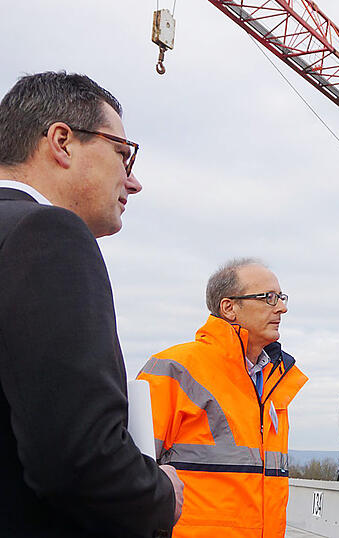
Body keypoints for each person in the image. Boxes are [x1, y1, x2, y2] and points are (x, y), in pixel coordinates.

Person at [0, 71, 182, 537]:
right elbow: (76, 458)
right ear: (62, 142)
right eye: (123, 154)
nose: (133, 181)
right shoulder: (47, 235)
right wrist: (158, 494)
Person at [137, 258, 307, 538]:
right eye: (269, 298)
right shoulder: (175, 367)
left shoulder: (274, 380)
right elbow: (134, 472)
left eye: (281, 297)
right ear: (229, 308)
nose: (282, 307)